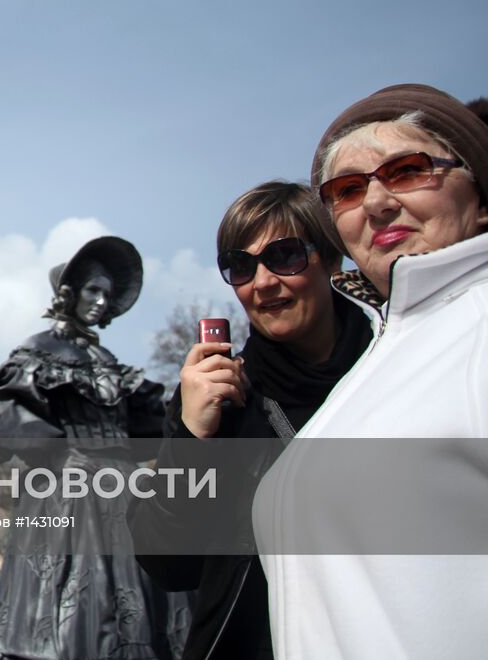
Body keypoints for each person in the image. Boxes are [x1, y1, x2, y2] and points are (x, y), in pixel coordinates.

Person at [254, 85, 488, 658]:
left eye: (408, 171)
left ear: (484, 194)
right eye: (347, 191)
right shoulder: (384, 353)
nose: (376, 203)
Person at [132, 182, 372, 659]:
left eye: (284, 256)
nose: (262, 282)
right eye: (241, 266)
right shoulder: (220, 402)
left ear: (331, 259)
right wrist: (191, 438)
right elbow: (171, 568)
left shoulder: (394, 365)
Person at [0, 236, 187, 660]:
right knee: (72, 614)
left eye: (107, 294)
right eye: (93, 289)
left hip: (125, 490)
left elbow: (144, 429)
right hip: (66, 495)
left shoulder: (109, 360)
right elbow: (7, 421)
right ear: (68, 293)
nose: (100, 301)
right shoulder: (38, 351)